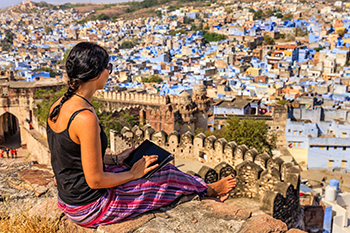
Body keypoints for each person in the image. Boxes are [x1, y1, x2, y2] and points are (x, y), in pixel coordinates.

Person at [47, 42, 236, 228]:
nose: (110, 73)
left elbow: (73, 156)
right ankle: (209, 190)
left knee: (154, 167)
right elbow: (95, 180)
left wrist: (115, 159)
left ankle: (203, 189)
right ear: (96, 74)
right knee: (165, 176)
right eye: (109, 67)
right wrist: (132, 173)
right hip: (91, 207)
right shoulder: (84, 117)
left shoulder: (59, 106)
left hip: (69, 200)